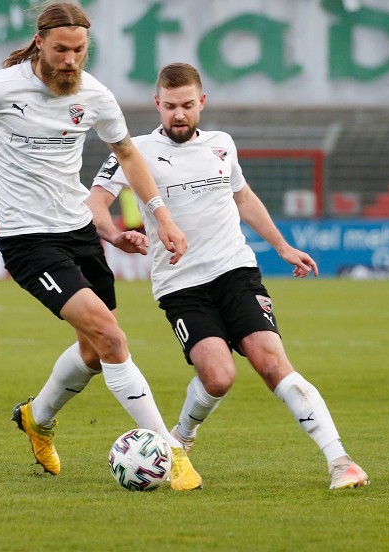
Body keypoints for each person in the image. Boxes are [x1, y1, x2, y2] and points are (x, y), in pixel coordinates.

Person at [0, 1, 202, 491]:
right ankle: (171, 452)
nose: (70, 60)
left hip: (80, 233)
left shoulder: (97, 96)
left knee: (92, 349)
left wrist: (155, 217)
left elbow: (127, 153)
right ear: (39, 43)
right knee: (111, 337)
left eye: (80, 51)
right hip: (29, 241)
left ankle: (36, 418)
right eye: (61, 49)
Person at [87, 62, 369, 490]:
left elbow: (243, 196)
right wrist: (112, 233)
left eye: (186, 105)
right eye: (169, 107)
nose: (178, 114)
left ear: (201, 102)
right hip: (180, 285)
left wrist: (282, 245)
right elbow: (95, 202)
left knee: (271, 362)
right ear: (156, 105)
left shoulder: (222, 144)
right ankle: (182, 435)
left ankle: (341, 461)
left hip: (235, 270)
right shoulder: (133, 151)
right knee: (218, 377)